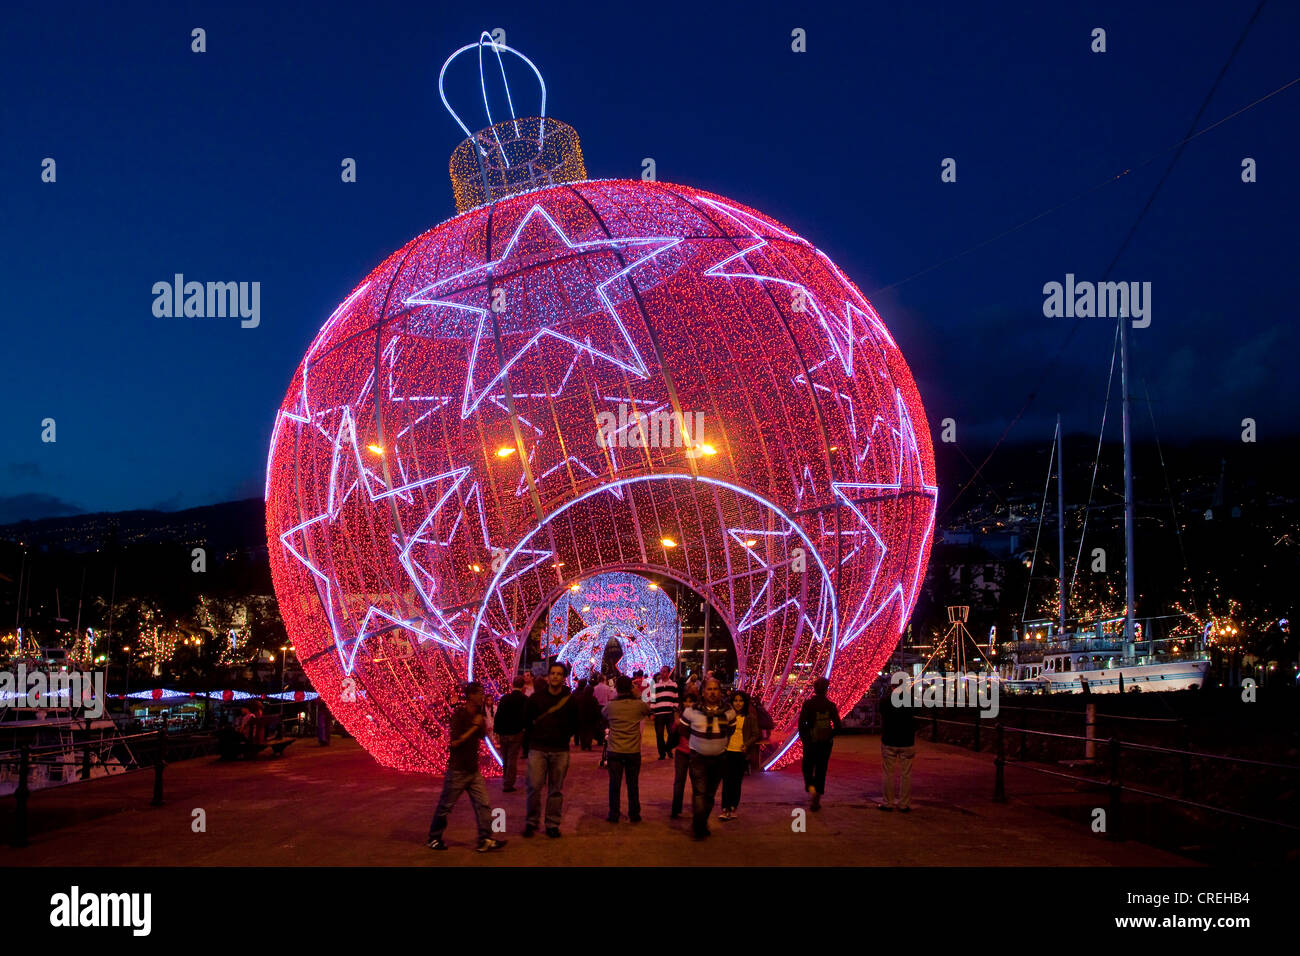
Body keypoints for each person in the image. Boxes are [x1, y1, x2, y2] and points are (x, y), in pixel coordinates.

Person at [426, 682, 506, 852]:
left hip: (473, 769)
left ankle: (486, 839)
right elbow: (455, 742)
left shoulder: (478, 713)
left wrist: (482, 724)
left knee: (483, 804)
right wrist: (474, 726)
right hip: (458, 770)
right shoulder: (459, 715)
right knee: (446, 806)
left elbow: (482, 736)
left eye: (482, 693)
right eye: (479, 693)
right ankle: (434, 837)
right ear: (470, 695)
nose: (482, 696)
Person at [522, 661, 578, 838]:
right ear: (548, 676)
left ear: (564, 677)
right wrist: (534, 738)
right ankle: (531, 822)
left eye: (558, 674)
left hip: (560, 750)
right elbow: (526, 721)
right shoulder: (536, 698)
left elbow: (575, 722)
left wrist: (564, 735)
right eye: (552, 673)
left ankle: (552, 824)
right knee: (534, 786)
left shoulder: (570, 700)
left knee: (556, 789)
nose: (555, 676)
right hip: (538, 748)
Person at [680, 678, 735, 839]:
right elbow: (683, 730)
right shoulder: (691, 711)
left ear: (720, 691)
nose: (712, 692)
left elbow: (730, 731)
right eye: (709, 689)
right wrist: (699, 742)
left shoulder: (728, 712)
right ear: (703, 692)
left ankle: (701, 822)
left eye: (715, 689)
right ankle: (699, 827)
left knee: (710, 794)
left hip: (719, 759)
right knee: (700, 792)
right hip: (698, 758)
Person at [601, 675, 651, 822]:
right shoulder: (639, 705)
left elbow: (603, 714)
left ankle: (614, 814)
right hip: (633, 751)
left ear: (616, 689)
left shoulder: (611, 706)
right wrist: (636, 696)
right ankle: (634, 814)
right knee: (632, 784)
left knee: (614, 784)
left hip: (615, 750)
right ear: (631, 687)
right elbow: (648, 710)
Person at [797, 677, 841, 811]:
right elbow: (838, 725)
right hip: (825, 744)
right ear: (826, 689)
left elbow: (801, 724)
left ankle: (811, 788)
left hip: (811, 742)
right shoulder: (830, 705)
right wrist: (829, 736)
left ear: (815, 689)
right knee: (821, 770)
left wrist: (805, 739)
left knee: (807, 768)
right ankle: (816, 799)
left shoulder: (808, 704)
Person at [720, 689, 762, 820]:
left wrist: (747, 744)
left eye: (741, 701)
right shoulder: (727, 715)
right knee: (727, 781)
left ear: (745, 702)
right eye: (735, 701)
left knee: (737, 782)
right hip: (727, 752)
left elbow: (756, 734)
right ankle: (725, 808)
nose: (738, 703)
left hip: (741, 753)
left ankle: (733, 807)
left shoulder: (750, 717)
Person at [878, 685, 916, 813]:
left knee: (888, 773)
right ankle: (904, 804)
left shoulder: (885, 701)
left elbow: (881, 713)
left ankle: (887, 803)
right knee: (906, 774)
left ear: (892, 686)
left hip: (890, 740)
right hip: (907, 740)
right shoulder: (911, 700)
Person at [493, 676, 528, 792]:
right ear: (523, 686)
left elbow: (498, 715)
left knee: (505, 757)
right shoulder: (524, 699)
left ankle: (505, 779)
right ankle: (508, 784)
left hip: (503, 732)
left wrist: (497, 730)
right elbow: (525, 716)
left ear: (512, 685)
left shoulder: (505, 698)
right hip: (516, 732)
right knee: (512, 758)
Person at [669, 690, 699, 818]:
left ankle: (698, 808)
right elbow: (672, 732)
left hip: (695, 752)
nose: (688, 703)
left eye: (691, 701)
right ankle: (676, 809)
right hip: (681, 752)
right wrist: (676, 724)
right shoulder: (679, 715)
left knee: (696, 782)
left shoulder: (699, 716)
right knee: (679, 781)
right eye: (685, 700)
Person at [650, 666, 679, 759]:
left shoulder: (674, 685)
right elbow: (653, 700)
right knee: (659, 735)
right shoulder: (655, 686)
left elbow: (676, 698)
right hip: (658, 714)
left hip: (669, 713)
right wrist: (652, 712)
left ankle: (668, 748)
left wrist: (674, 708)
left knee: (672, 733)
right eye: (661, 672)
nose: (663, 673)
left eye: (665, 672)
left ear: (669, 673)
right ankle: (662, 754)